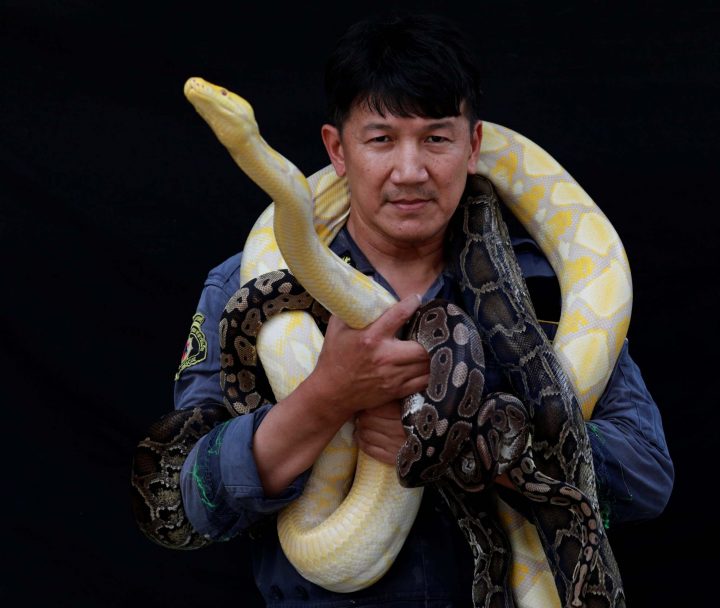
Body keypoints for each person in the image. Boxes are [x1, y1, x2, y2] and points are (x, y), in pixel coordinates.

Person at [173, 12, 674, 607]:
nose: (410, 172)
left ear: (474, 145)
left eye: (436, 138)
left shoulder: (552, 292)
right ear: (337, 149)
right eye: (381, 139)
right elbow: (189, 502)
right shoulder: (245, 287)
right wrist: (329, 397)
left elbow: (646, 476)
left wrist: (472, 436)